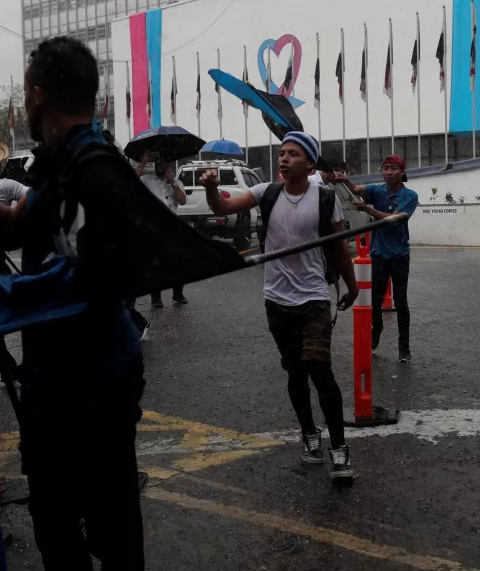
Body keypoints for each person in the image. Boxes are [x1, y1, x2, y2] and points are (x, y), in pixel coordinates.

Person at [0, 36, 148, 567]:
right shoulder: (65, 166)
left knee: (109, 529)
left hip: (94, 383)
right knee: (54, 525)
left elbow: (76, 287)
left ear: (35, 93)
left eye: (24, 92)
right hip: (57, 380)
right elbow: (11, 229)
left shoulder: (94, 171)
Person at [201, 131, 360, 483]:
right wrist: (212, 189)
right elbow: (224, 207)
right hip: (277, 298)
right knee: (295, 372)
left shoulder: (325, 197)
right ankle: (308, 433)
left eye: (292, 154)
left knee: (320, 371)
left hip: (315, 296)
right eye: (282, 153)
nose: (283, 158)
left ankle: (339, 447)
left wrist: (352, 286)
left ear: (310, 163)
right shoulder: (266, 193)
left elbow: (338, 247)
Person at [340, 155, 419, 362]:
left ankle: (404, 346)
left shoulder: (410, 196)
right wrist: (343, 180)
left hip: (400, 256)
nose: (388, 172)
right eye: (385, 168)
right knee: (374, 301)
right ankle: (377, 329)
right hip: (379, 256)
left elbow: (394, 220)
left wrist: (367, 209)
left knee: (401, 302)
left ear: (402, 172)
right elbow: (357, 190)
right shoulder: (377, 190)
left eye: (393, 169)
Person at [138, 153, 188, 307]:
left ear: (169, 166)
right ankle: (156, 298)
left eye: (164, 164)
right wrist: (143, 163)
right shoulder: (147, 180)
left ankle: (178, 295)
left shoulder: (176, 182)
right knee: (157, 264)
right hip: (155, 227)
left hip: (174, 227)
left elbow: (183, 200)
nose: (161, 166)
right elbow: (131, 182)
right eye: (158, 164)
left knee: (178, 262)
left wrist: (172, 181)